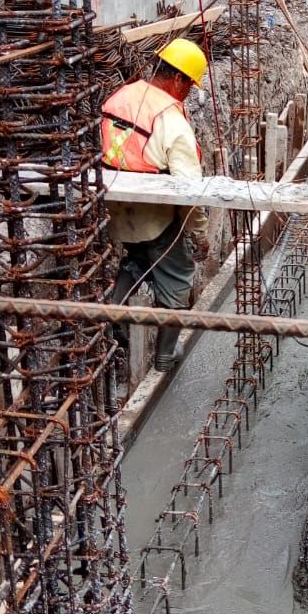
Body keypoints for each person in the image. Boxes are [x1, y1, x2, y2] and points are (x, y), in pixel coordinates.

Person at [101, 38, 210, 371]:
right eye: (190, 85)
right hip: (156, 216)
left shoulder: (120, 96)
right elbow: (189, 192)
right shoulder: (170, 120)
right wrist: (200, 234)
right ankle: (164, 356)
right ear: (178, 79)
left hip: (118, 210)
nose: (189, 92)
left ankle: (115, 315)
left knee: (137, 259)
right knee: (177, 280)